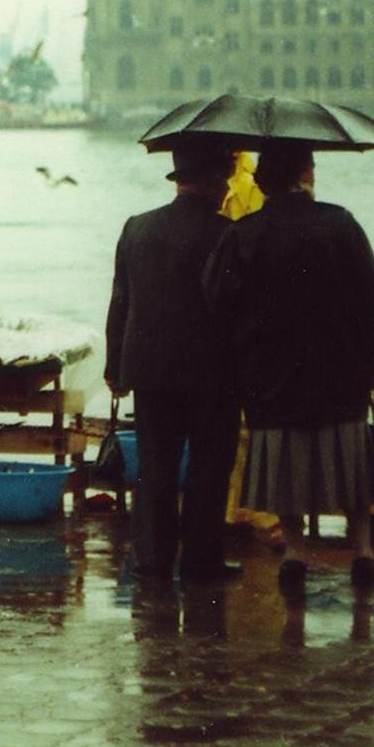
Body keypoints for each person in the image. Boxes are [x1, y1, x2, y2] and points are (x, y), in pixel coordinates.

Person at [202, 140, 374, 594]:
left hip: (271, 372)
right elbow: (370, 296)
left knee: (283, 460)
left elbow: (217, 299)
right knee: (347, 458)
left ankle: (297, 551)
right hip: (339, 368)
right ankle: (361, 548)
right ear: (305, 174)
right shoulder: (340, 224)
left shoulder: (244, 234)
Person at [104, 141, 241, 583]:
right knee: (209, 467)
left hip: (148, 370)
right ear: (210, 181)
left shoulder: (137, 228)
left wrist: (114, 368)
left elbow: (120, 302)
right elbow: (236, 306)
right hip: (212, 373)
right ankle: (202, 562)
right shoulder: (226, 234)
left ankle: (153, 561)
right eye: (224, 179)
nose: (226, 189)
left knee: (156, 466)